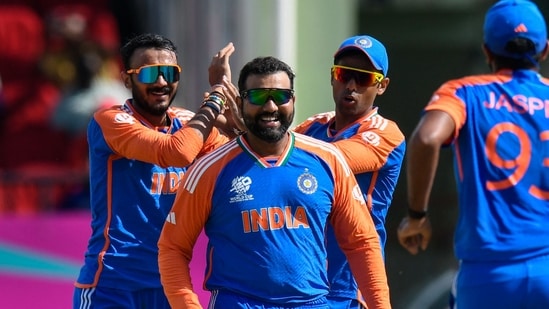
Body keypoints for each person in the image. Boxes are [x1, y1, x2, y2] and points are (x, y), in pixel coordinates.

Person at [158, 56, 391, 308]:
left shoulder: (328, 159)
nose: (270, 107)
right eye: (258, 97)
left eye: (280, 97)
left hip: (312, 303)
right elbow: (173, 248)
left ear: (293, 100)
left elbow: (361, 242)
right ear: (240, 102)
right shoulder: (210, 169)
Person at [396, 1, 549, 308]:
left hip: (488, 275)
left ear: (487, 51)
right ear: (545, 49)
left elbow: (426, 139)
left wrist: (416, 217)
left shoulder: (464, 92)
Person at [73, 33, 236, 309]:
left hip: (169, 284)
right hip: (113, 284)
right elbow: (176, 152)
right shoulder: (110, 120)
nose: (161, 82)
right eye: (150, 74)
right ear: (127, 80)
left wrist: (237, 124)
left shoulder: (187, 123)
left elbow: (235, 159)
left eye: (169, 73)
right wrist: (216, 97)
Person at [293, 35, 405, 308]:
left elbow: (334, 160)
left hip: (351, 284)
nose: (351, 86)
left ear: (382, 86)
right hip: (304, 279)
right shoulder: (312, 127)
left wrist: (271, 138)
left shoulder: (386, 132)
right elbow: (269, 159)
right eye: (344, 74)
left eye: (363, 78)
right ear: (333, 77)